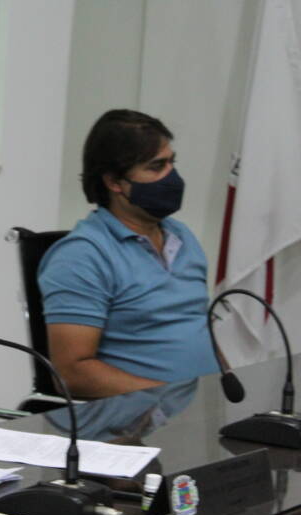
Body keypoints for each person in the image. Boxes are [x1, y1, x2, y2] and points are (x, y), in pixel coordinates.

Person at [38, 109, 218, 398]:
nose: (172, 176)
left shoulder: (182, 236)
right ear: (114, 182)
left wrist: (231, 393)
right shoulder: (82, 256)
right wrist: (169, 399)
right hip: (139, 418)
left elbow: (197, 327)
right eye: (156, 167)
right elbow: (71, 373)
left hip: (204, 410)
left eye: (171, 163)